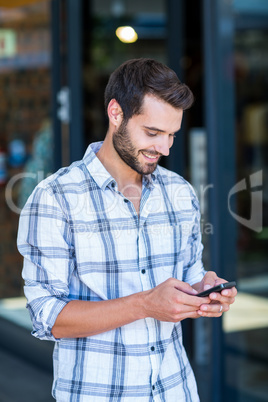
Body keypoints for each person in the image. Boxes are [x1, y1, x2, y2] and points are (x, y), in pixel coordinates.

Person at [17, 58, 237, 401]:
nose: (164, 149)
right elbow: (48, 317)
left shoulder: (179, 192)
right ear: (116, 113)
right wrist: (146, 304)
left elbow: (190, 275)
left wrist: (206, 290)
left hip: (175, 389)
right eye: (152, 133)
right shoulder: (55, 198)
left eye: (171, 135)